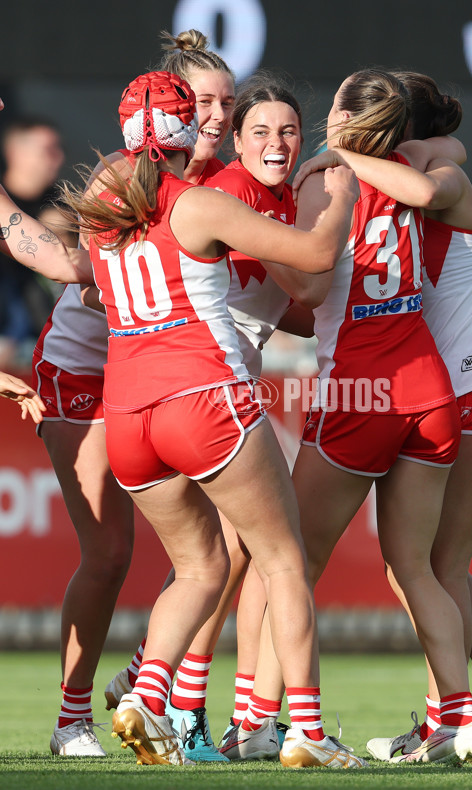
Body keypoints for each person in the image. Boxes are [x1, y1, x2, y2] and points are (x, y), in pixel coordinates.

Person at [1, 69, 364, 771]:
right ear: (182, 124)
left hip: (129, 407)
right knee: (282, 558)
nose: (219, 116)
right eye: (205, 105)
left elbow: (62, 259)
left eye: (229, 104)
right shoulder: (201, 202)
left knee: (202, 565)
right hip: (192, 395)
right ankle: (304, 732)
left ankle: (146, 691)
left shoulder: (108, 196)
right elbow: (314, 261)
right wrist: (341, 190)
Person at [223, 67, 472, 767]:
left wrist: (250, 236)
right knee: (419, 568)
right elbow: (462, 178)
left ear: (342, 117)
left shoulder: (323, 175)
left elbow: (310, 286)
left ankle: (255, 721)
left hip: (359, 391)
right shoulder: (413, 164)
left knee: (289, 561)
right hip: (429, 389)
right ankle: (461, 720)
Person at [292, 70, 472, 761]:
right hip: (463, 387)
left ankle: (463, 712)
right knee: (430, 564)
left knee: (434, 564)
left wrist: (339, 155)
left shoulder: (427, 169)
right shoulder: (405, 173)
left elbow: (441, 174)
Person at [0, 114, 71, 368]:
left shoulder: (66, 206)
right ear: (15, 153)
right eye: (48, 150)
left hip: (49, 337)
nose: (58, 158)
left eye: (58, 149)